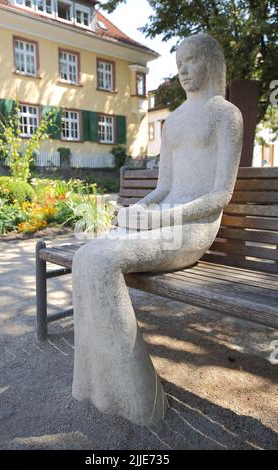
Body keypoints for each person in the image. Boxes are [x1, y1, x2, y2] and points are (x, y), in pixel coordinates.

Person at [71, 34, 243, 426]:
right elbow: (163, 188)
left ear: (212, 62)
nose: (182, 70)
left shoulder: (226, 115)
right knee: (84, 256)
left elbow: (221, 195)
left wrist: (162, 218)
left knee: (102, 263)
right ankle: (95, 384)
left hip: (194, 228)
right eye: (179, 62)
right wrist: (138, 209)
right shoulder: (174, 120)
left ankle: (140, 399)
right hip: (163, 217)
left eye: (192, 60)